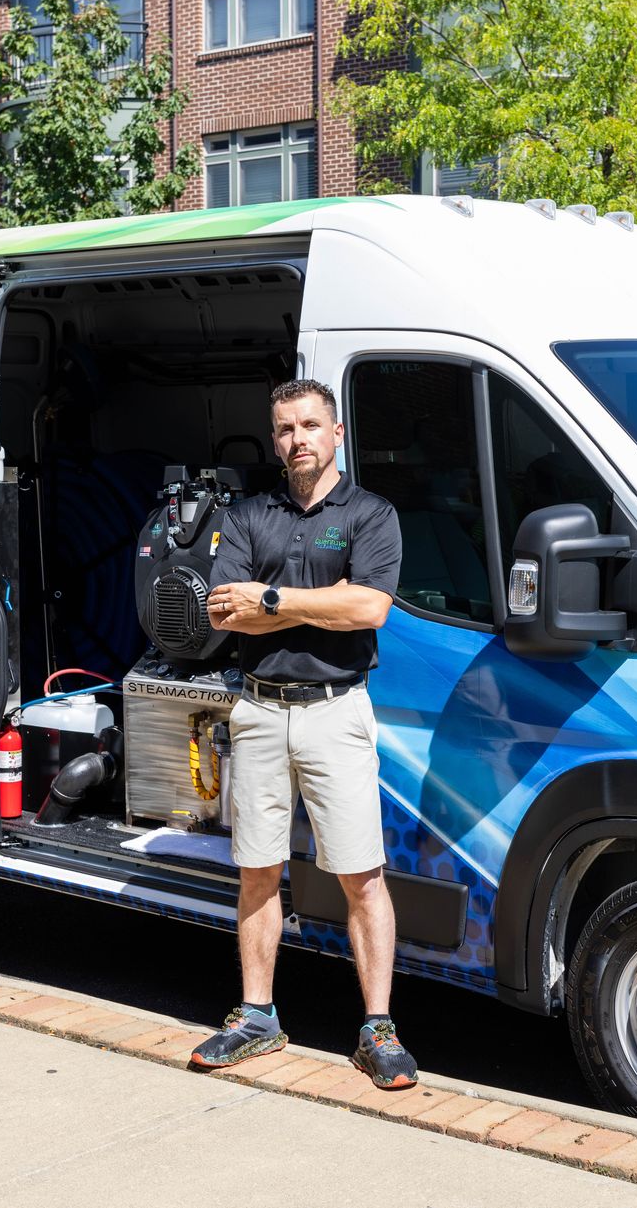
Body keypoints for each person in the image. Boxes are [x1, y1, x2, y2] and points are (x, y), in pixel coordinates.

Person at [189, 378, 418, 1090]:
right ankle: (258, 1017)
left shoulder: (371, 515)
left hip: (335, 711)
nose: (297, 440)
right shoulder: (252, 514)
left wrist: (275, 598)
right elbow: (226, 613)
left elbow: (370, 607)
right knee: (258, 869)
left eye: (310, 425)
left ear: (337, 432)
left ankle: (377, 1029)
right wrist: (317, 603)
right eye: (286, 428)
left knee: (361, 875)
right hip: (257, 711)